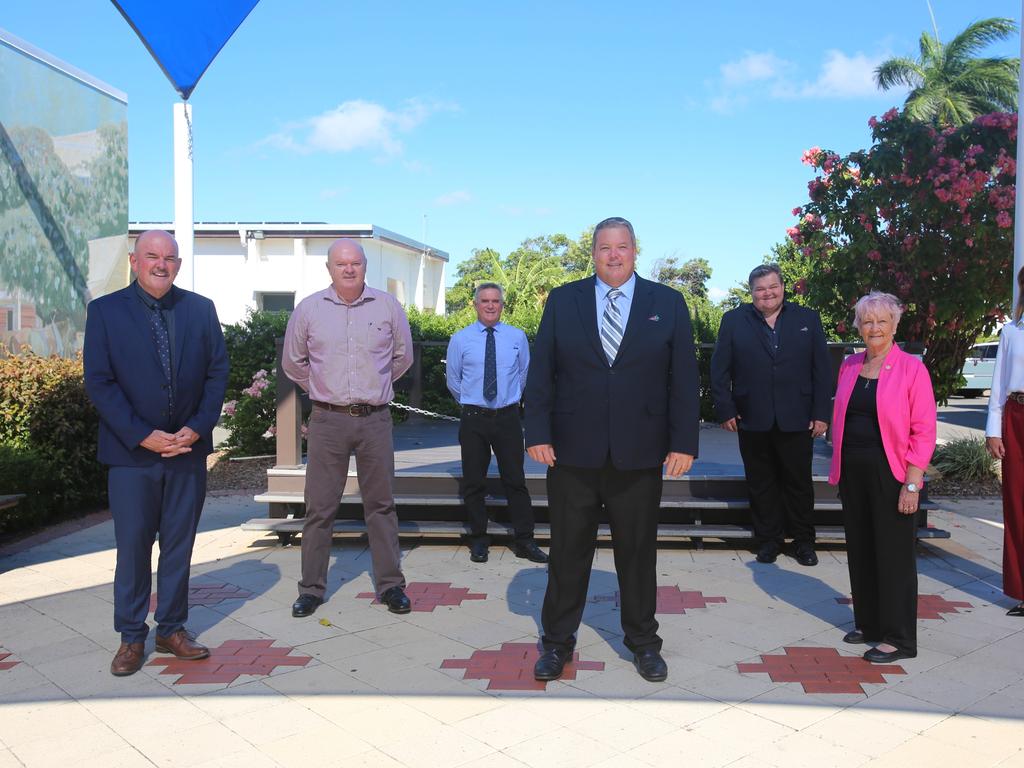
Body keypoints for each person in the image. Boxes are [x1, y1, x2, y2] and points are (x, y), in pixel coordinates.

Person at [524, 216, 700, 683]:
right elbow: (542, 372)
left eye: (622, 246)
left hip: (640, 455)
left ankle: (643, 643)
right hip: (570, 455)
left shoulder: (668, 302)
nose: (614, 255)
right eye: (605, 247)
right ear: (594, 253)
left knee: (638, 555)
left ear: (635, 251)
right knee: (567, 554)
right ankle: (557, 643)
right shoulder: (564, 301)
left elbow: (683, 379)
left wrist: (683, 442)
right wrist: (536, 433)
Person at [84, 229, 229, 676]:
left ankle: (171, 628)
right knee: (132, 549)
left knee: (179, 547)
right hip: (132, 456)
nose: (161, 264)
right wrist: (141, 434)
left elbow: (216, 373)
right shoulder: (105, 312)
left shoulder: (200, 310)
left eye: (169, 257)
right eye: (151, 256)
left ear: (179, 265)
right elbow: (100, 382)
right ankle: (131, 637)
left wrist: (197, 428)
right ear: (134, 261)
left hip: (186, 452)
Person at [282, 238, 414, 618]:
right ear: (329, 268)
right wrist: (323, 391)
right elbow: (294, 362)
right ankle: (311, 589)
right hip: (327, 420)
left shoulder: (388, 306)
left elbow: (401, 357)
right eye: (341, 264)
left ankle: (391, 586)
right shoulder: (309, 309)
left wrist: (373, 385)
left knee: (381, 505)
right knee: (320, 508)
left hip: (375, 420)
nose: (349, 269)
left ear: (365, 266)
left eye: (355, 263)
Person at [829, 291, 936, 663]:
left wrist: (912, 483)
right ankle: (870, 624)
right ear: (858, 326)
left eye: (882, 321)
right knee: (861, 549)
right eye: (867, 321)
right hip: (853, 471)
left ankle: (899, 638)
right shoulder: (849, 365)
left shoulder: (911, 368)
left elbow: (924, 430)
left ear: (895, 326)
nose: (874, 328)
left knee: (893, 557)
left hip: (891, 471)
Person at [710, 263, 831, 566]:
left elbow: (822, 371)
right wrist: (726, 408)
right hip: (752, 416)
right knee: (761, 483)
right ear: (751, 292)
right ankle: (768, 541)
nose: (767, 293)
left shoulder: (808, 319)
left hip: (798, 416)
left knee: (799, 483)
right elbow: (719, 370)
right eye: (760, 289)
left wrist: (821, 413)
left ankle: (803, 541)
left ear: (782, 287)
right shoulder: (733, 321)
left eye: (772, 287)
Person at [446, 283, 548, 564]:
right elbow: (453, 381)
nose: (490, 305)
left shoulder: (516, 337)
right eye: (485, 301)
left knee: (515, 481)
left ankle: (525, 540)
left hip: (507, 418)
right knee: (474, 482)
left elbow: (524, 374)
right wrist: (473, 402)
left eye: (496, 301)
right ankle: (479, 539)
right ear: (475, 304)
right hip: (474, 418)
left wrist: (507, 401)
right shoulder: (461, 339)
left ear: (503, 305)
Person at [985, 265, 1024, 617]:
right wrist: (993, 429)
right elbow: (998, 384)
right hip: (1016, 416)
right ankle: (1021, 590)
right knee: (1016, 504)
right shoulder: (1011, 332)